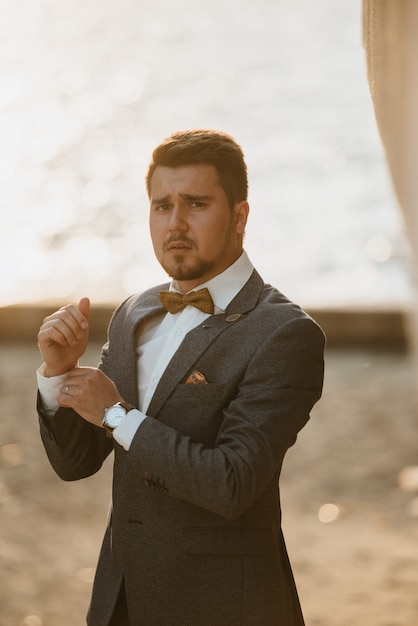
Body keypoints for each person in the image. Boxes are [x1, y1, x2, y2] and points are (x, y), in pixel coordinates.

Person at [37, 129, 325, 626]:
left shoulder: (284, 333)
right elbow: (76, 461)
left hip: (224, 608)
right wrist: (56, 376)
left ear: (239, 215)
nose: (175, 223)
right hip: (119, 601)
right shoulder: (133, 313)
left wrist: (114, 413)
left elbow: (232, 482)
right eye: (161, 205)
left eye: (195, 204)